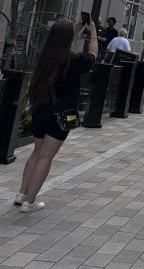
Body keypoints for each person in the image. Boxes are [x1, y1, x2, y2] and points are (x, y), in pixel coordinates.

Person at [16, 19, 97, 212]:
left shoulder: (44, 56)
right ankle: (30, 201)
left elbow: (60, 39)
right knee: (46, 157)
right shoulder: (74, 60)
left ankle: (22, 193)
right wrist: (92, 30)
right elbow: (93, 54)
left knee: (37, 152)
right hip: (60, 115)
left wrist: (71, 29)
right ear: (69, 38)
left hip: (40, 109)